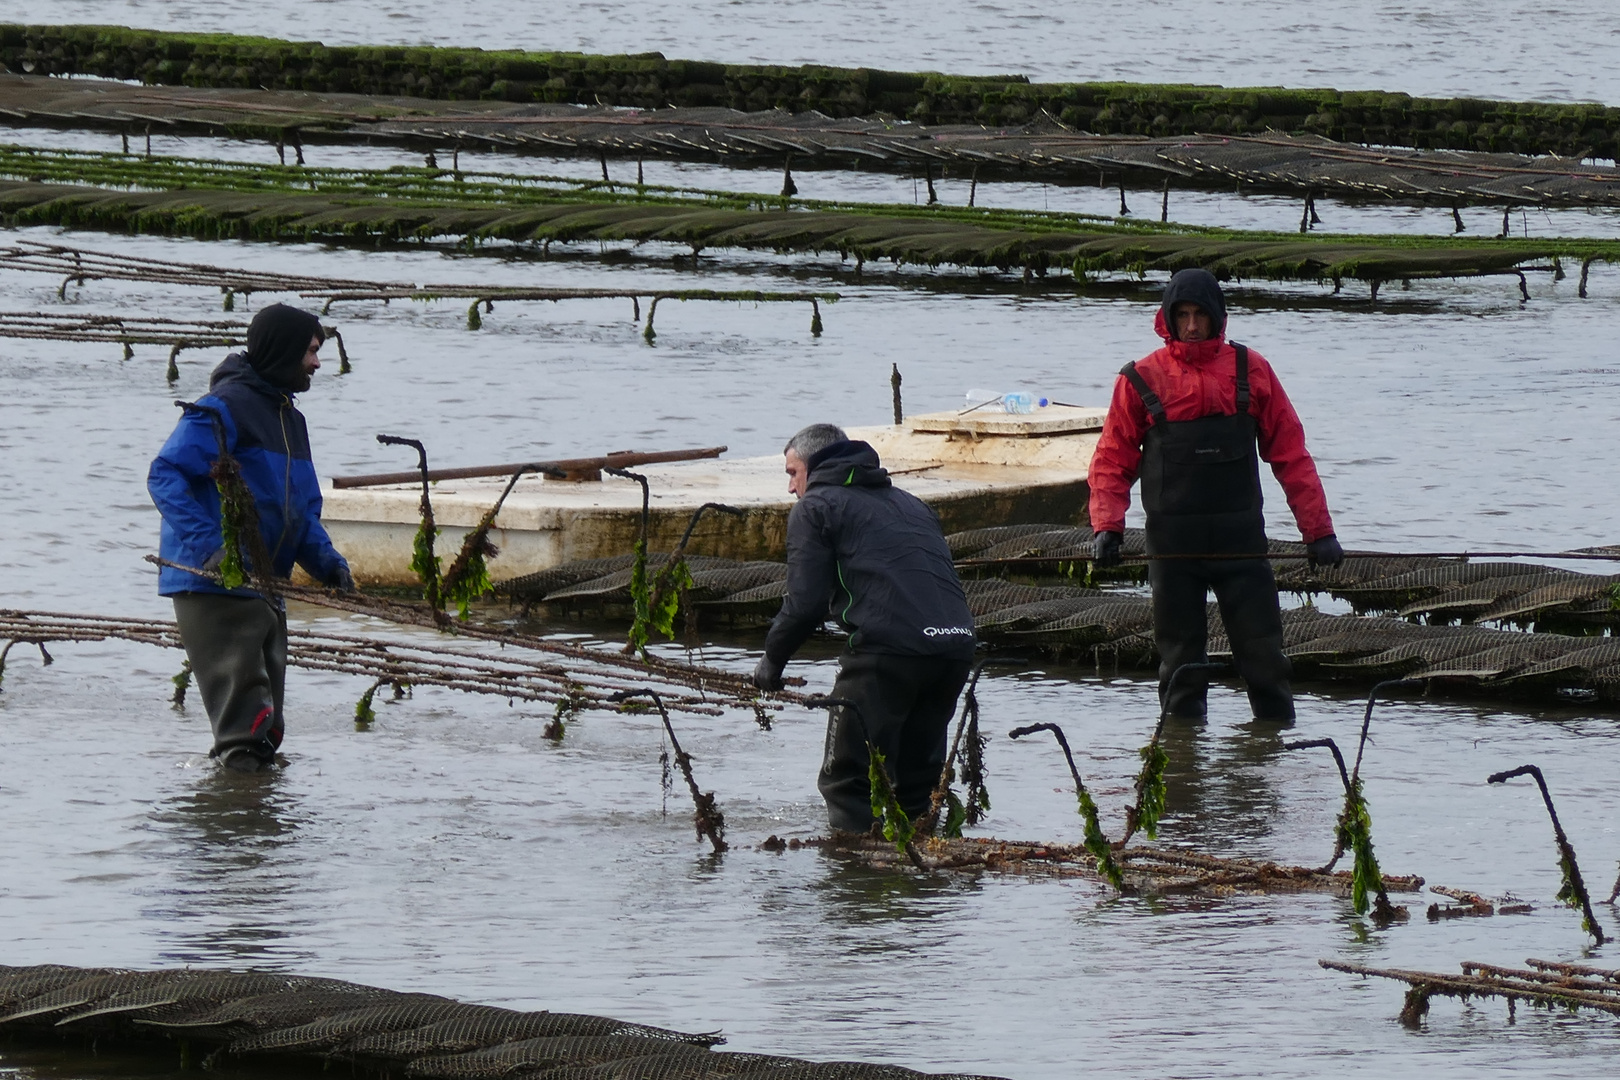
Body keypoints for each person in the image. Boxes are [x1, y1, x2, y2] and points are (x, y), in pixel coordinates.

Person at [1087, 269, 1344, 724]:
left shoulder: (1252, 370)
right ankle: (1183, 772)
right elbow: (1112, 459)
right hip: (1173, 553)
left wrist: (1318, 531)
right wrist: (1108, 525)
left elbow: (1291, 455)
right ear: (1167, 318)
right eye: (1182, 315)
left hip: (1241, 548)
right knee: (1181, 670)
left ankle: (1273, 757)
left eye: (1200, 315)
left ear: (1218, 318)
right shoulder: (1139, 379)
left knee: (1265, 662)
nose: (1190, 325)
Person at [148, 303, 353, 773]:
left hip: (266, 585)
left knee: (268, 730)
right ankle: (237, 833)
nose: (318, 363)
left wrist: (328, 564)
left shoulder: (290, 420)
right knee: (246, 727)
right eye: (311, 351)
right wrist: (211, 550)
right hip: (215, 584)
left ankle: (251, 822)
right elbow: (165, 474)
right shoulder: (223, 408)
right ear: (283, 350)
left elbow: (299, 508)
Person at [751, 424, 977, 831]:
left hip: (884, 654)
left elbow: (806, 605)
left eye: (792, 473)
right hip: (955, 650)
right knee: (918, 784)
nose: (790, 488)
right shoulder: (912, 503)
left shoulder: (816, 507)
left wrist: (772, 660)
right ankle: (921, 878)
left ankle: (852, 881)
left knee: (847, 781)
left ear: (815, 466)